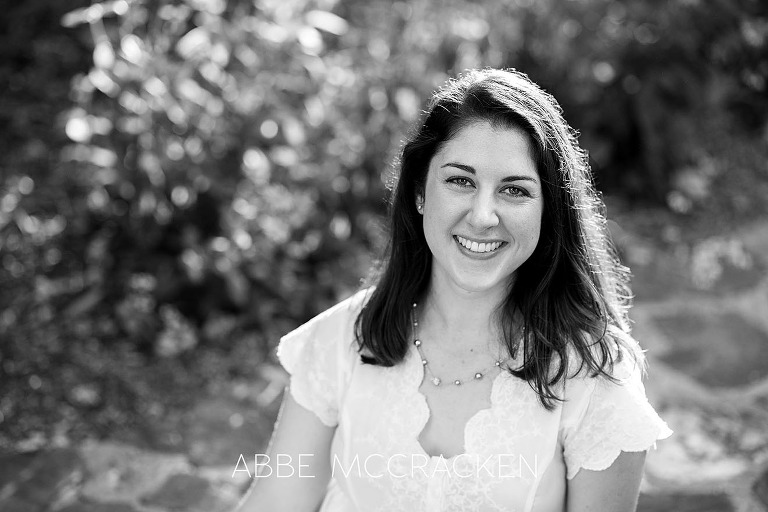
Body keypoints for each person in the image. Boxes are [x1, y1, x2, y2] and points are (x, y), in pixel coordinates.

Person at [234, 68, 672, 512]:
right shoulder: (340, 340)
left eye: (514, 190)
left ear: (549, 211)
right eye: (461, 181)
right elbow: (276, 500)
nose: (483, 216)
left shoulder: (594, 377)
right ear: (421, 191)